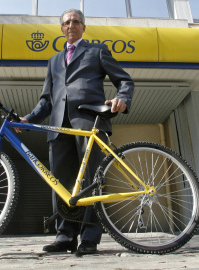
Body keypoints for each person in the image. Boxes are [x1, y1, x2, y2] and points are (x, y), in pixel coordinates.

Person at [19, 9, 134, 254]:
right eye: (66, 22)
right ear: (62, 29)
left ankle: (90, 238)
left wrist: (122, 97)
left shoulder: (97, 51)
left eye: (76, 21)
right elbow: (46, 101)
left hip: (90, 122)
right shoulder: (53, 61)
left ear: (83, 27)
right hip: (59, 126)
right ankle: (65, 237)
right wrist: (28, 118)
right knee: (60, 182)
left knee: (93, 181)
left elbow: (124, 80)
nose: (71, 25)